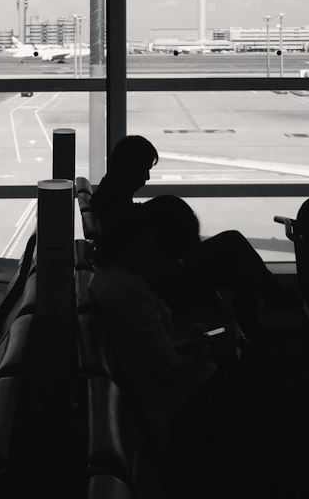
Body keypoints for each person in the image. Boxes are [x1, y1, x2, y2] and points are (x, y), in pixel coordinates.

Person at [90, 196, 250, 495]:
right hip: (190, 405)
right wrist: (205, 349)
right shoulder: (126, 289)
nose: (167, 268)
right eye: (170, 257)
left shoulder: (113, 278)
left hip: (188, 397)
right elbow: (165, 368)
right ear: (150, 244)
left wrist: (182, 337)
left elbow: (150, 346)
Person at [92, 134, 296, 342]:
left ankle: (253, 336)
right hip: (164, 279)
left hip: (160, 273)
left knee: (244, 271)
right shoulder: (115, 199)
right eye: (145, 168)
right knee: (234, 243)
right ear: (129, 164)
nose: (147, 178)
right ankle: (268, 307)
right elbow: (127, 238)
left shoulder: (109, 192)